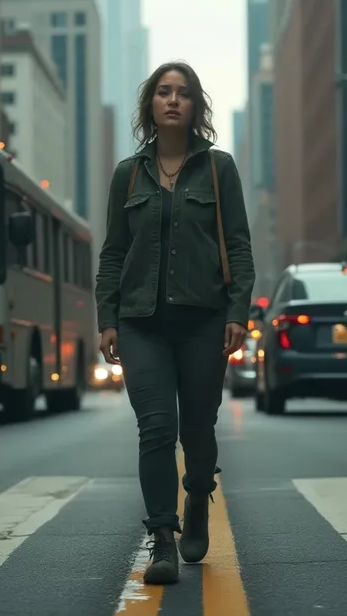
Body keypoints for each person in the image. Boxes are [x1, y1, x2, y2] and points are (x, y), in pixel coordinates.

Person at [95, 61, 255, 585]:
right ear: (150, 105)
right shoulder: (128, 173)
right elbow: (115, 252)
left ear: (195, 107)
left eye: (182, 93)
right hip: (141, 323)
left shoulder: (218, 168)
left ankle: (199, 496)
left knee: (198, 428)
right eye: (163, 92)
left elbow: (237, 246)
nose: (171, 100)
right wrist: (108, 319)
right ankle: (163, 539)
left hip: (204, 321)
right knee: (157, 428)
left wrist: (237, 313)